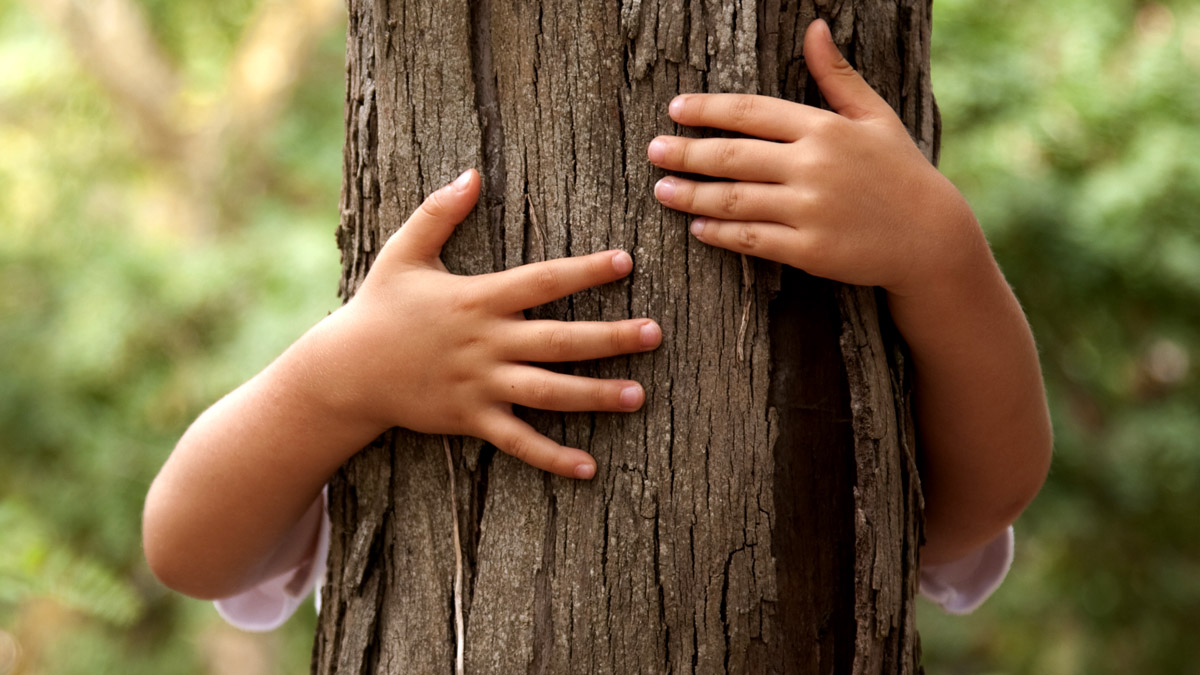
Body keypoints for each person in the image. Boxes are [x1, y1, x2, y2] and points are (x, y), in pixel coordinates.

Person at [142, 18, 1051, 631]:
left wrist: (942, 256)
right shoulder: (408, 393)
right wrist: (342, 377)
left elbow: (970, 507)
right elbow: (189, 546)